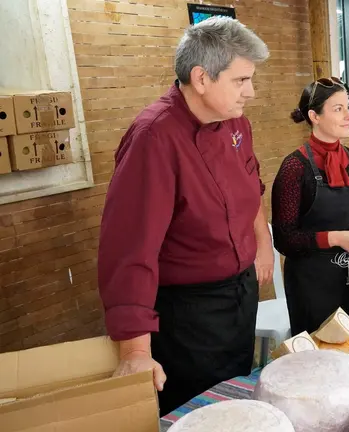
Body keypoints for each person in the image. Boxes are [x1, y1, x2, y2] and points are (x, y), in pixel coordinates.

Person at [97, 17, 273, 416]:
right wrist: (136, 351)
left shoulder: (236, 124)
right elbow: (129, 250)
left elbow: (251, 190)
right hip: (189, 313)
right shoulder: (154, 137)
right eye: (241, 80)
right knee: (199, 412)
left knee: (236, 401)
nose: (251, 92)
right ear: (201, 78)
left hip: (239, 295)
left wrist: (263, 243)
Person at [271, 77, 349, 336]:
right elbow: (284, 239)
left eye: (348, 107)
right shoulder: (294, 168)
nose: (348, 116)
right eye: (338, 109)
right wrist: (335, 238)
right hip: (313, 288)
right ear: (314, 116)